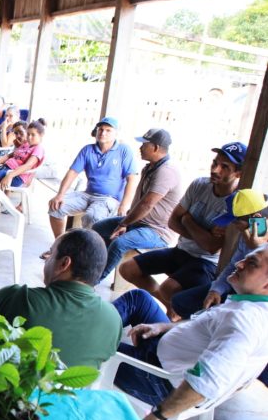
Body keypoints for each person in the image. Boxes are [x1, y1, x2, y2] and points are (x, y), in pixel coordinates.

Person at [112, 244, 268, 420]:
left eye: (251, 263)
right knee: (138, 299)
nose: (239, 263)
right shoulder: (250, 304)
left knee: (90, 343)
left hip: (159, 379)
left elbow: (207, 381)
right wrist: (163, 326)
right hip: (166, 351)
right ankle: (87, 326)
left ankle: (80, 331)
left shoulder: (245, 321)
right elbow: (207, 324)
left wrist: (156, 418)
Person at [0, 229, 122, 369]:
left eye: (50, 254)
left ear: (64, 264)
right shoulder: (113, 319)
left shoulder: (21, 298)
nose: (46, 260)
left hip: (12, 398)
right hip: (69, 402)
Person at [118, 142, 245, 319]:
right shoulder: (200, 184)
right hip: (182, 250)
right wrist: (200, 231)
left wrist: (186, 218)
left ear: (238, 173)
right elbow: (172, 221)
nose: (215, 170)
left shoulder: (237, 201)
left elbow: (211, 247)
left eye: (225, 167)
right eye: (215, 163)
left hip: (206, 263)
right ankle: (171, 309)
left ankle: (176, 314)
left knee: (167, 288)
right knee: (128, 269)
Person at [92, 128, 184, 282]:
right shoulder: (150, 167)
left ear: (155, 147)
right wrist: (126, 220)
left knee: (119, 243)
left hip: (157, 231)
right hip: (138, 222)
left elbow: (147, 205)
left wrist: (124, 223)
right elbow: (140, 201)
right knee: (98, 229)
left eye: (144, 144)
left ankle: (93, 280)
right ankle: (93, 268)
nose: (140, 147)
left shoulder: (166, 171)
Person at [41, 116, 139, 259]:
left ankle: (83, 255)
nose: (103, 133)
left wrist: (124, 206)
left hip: (109, 199)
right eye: (100, 129)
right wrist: (60, 194)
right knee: (56, 206)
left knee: (92, 217)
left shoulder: (124, 151)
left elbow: (132, 180)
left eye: (108, 130)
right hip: (88, 194)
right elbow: (72, 172)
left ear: (116, 133)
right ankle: (60, 247)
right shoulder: (88, 150)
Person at [171, 189, 267, 319]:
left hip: (257, 301)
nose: (234, 225)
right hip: (238, 284)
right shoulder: (248, 233)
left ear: (255, 218)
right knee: (180, 302)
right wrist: (216, 290)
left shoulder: (255, 235)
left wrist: (258, 248)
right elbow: (233, 265)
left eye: (236, 221)